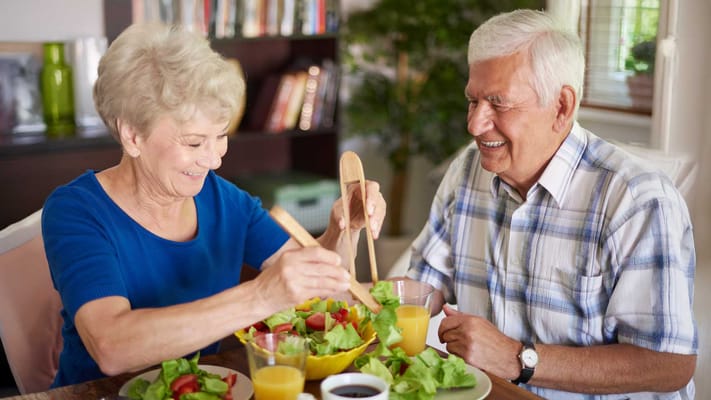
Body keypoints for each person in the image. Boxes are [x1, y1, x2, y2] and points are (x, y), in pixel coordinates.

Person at [41, 23, 386, 387]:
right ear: (132, 135)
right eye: (193, 143)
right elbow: (112, 347)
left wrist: (343, 229)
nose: (214, 159)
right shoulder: (77, 210)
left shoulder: (223, 200)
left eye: (220, 136)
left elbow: (326, 293)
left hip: (207, 390)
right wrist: (262, 295)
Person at [404, 9, 697, 399]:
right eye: (473, 101)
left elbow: (669, 365)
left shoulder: (638, 199)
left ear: (561, 106)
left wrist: (516, 359)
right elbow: (423, 288)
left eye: (498, 103)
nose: (474, 124)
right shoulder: (468, 170)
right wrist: (343, 257)